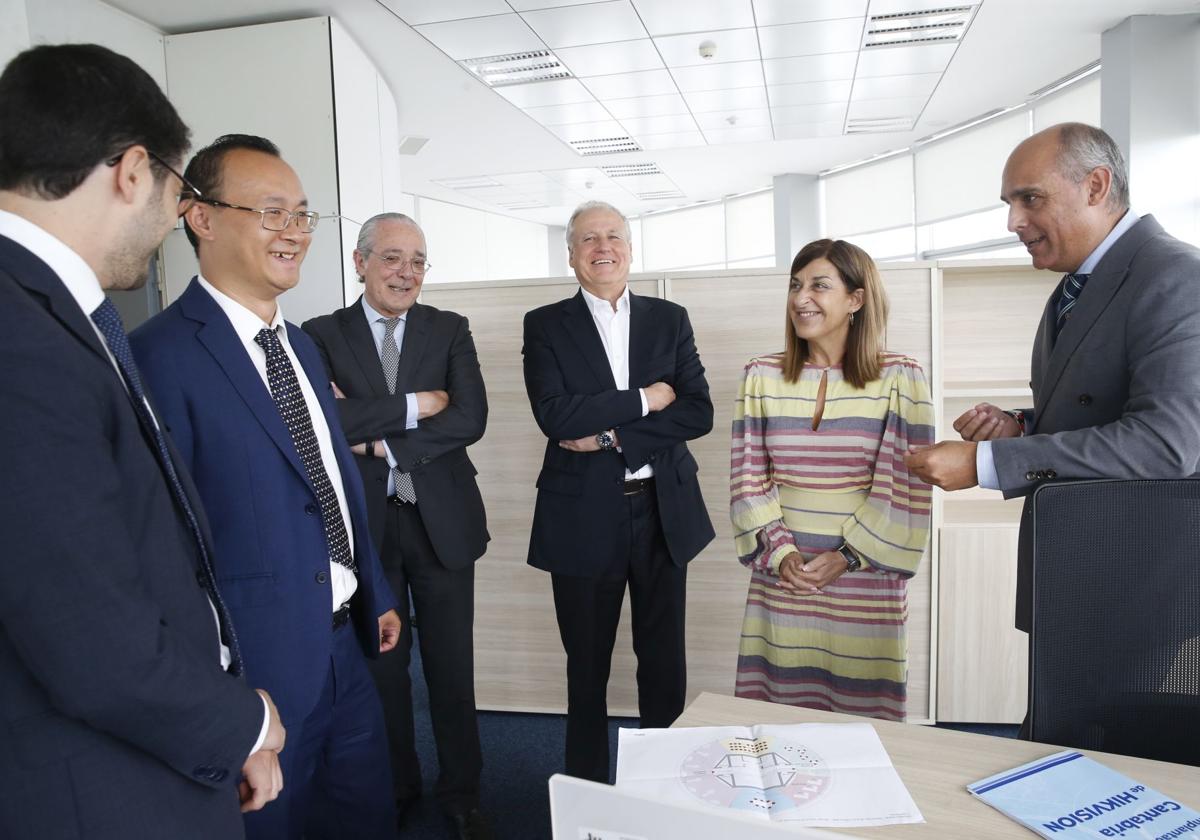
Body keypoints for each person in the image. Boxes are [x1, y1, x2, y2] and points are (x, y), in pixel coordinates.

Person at [0, 44, 283, 838]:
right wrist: (244, 724)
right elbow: (89, 638)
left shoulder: (57, 316)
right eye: (178, 188)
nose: (172, 218)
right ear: (132, 170)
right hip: (94, 783)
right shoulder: (22, 339)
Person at [128, 134, 401, 838]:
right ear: (201, 217)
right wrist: (223, 703)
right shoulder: (160, 358)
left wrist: (369, 586)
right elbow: (166, 552)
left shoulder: (301, 346)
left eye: (304, 215)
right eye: (273, 212)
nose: (295, 233)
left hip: (344, 647)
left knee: (365, 817)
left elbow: (329, 481)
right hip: (258, 672)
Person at [904, 123, 1200, 662]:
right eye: (1010, 202)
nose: (1014, 221)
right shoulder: (1076, 285)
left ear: (1095, 186)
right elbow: (1101, 407)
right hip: (1074, 576)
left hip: (1130, 590)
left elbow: (1165, 443)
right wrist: (1023, 423)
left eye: (1030, 199)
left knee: (1101, 742)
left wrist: (987, 461)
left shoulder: (1176, 275)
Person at [302, 213, 492, 839]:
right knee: (383, 670)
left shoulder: (449, 328)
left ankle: (462, 794)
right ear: (360, 263)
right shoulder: (321, 334)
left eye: (417, 260)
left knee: (450, 668)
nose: (406, 272)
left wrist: (378, 444)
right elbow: (324, 423)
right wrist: (415, 406)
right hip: (366, 530)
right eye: (391, 258)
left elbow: (469, 419)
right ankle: (398, 787)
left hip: (442, 524)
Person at [522, 200, 715, 783]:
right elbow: (556, 417)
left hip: (662, 512)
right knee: (586, 670)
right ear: (572, 254)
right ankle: (584, 790)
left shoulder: (669, 317)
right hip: (583, 518)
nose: (602, 247)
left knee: (663, 667)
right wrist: (645, 399)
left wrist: (608, 434)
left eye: (612, 237)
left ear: (630, 249)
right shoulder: (545, 323)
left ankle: (663, 787)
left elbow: (698, 411)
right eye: (588, 239)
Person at [731, 239, 934, 722]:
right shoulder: (760, 374)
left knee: (862, 722)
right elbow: (747, 477)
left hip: (866, 577)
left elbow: (906, 486)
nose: (802, 298)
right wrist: (782, 556)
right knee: (779, 720)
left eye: (820, 286)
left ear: (856, 300)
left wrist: (846, 558)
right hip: (784, 575)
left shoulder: (900, 376)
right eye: (796, 286)